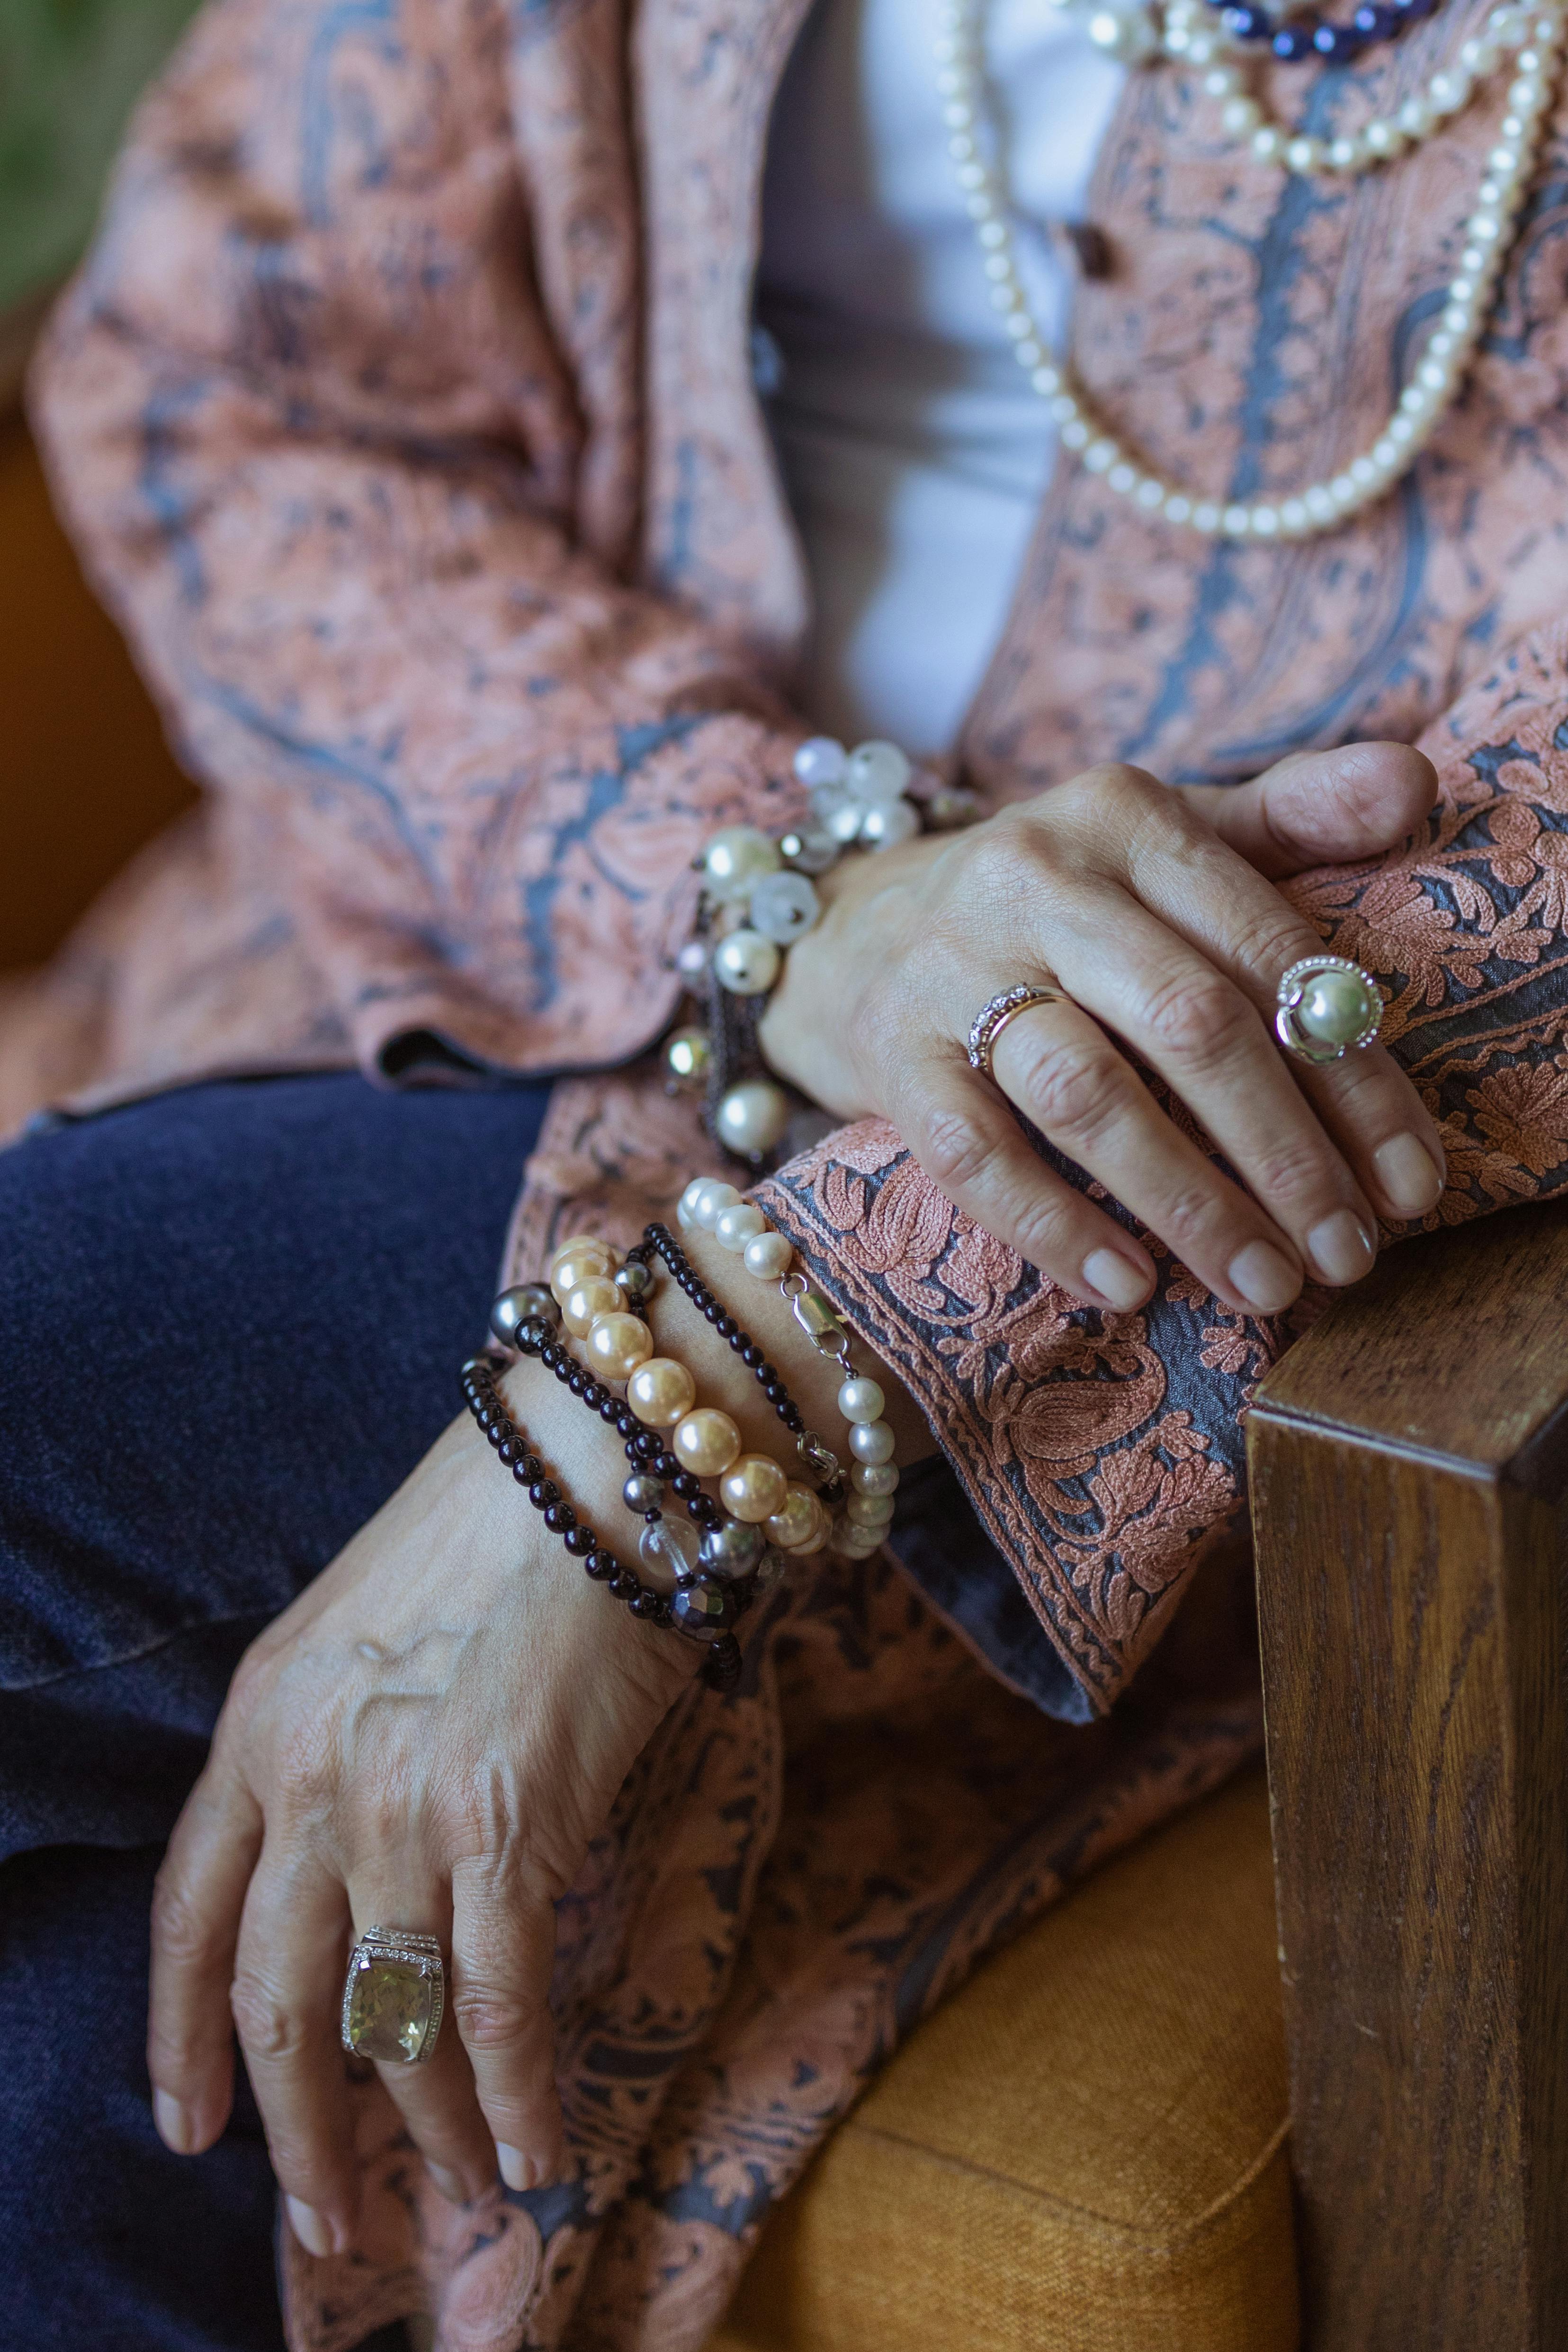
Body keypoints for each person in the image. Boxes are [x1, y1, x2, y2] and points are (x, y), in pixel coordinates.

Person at [4, 0, 1568, 2344]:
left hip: (1178, 1301)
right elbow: (227, 375)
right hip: (446, 956)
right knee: (83, 2057)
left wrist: (689, 1394)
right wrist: (774, 887)